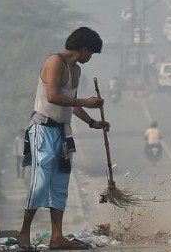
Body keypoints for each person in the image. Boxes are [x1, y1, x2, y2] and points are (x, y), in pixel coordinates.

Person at [18, 27, 109, 251]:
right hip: (43, 130)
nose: (91, 58)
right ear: (84, 49)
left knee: (60, 184)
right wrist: (85, 102)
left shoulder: (76, 71)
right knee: (40, 183)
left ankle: (57, 237)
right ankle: (24, 232)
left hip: (62, 133)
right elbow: (54, 96)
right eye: (91, 54)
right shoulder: (55, 62)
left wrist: (92, 122)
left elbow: (72, 103)